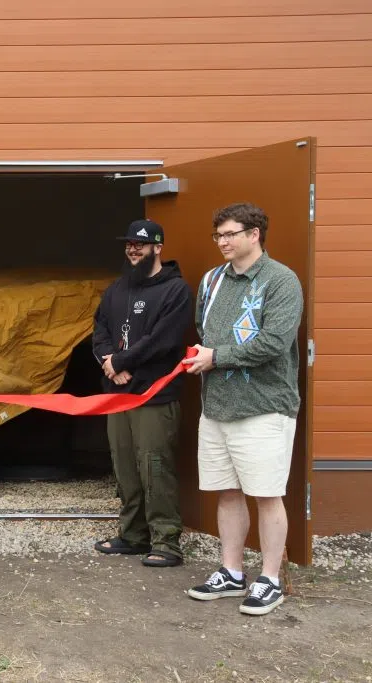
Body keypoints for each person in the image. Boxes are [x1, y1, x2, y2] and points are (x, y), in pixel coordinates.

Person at [184, 202, 303, 616]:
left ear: (255, 234)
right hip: (216, 406)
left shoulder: (281, 280)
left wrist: (216, 357)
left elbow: (274, 342)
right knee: (228, 492)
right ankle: (232, 572)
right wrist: (206, 354)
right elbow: (205, 331)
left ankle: (270, 578)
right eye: (218, 235)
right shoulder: (212, 280)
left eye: (230, 233)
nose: (222, 242)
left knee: (267, 495)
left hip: (264, 408)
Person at [91, 219, 193, 567]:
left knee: (155, 466)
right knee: (124, 467)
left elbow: (163, 341)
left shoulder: (175, 291)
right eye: (129, 244)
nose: (133, 249)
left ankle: (166, 542)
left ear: (158, 247)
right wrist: (109, 362)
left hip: (154, 396)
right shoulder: (117, 289)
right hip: (116, 395)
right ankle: (132, 536)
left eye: (141, 244)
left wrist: (120, 361)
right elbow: (99, 329)